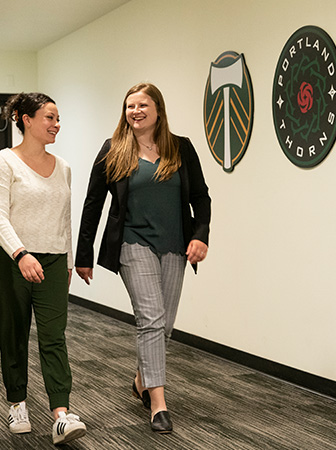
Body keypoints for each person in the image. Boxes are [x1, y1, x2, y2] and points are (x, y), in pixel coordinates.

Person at [75, 82, 211, 434]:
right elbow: (93, 204)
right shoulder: (113, 150)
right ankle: (158, 403)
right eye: (129, 106)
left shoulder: (181, 149)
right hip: (133, 244)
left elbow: (201, 198)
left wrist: (200, 237)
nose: (135, 111)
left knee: (163, 325)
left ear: (158, 110)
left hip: (175, 245)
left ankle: (141, 378)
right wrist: (84, 255)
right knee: (150, 319)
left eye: (142, 105)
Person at [0, 92, 86, 445]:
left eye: (58, 119)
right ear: (25, 119)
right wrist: (21, 253)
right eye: (49, 117)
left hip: (54, 260)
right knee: (14, 333)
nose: (56, 125)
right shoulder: (4, 163)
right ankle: (17, 403)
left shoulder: (64, 167)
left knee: (54, 336)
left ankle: (61, 412)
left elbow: (64, 218)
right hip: (11, 260)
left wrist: (68, 259)